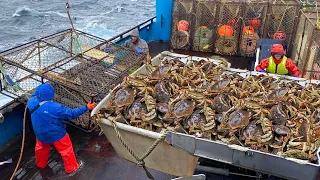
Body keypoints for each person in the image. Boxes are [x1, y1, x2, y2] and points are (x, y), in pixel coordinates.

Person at [27, 83, 96, 174]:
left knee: (40, 148)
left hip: (40, 134)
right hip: (57, 134)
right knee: (66, 150)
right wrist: (87, 107)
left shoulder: (31, 102)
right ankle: (72, 168)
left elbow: (34, 95)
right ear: (51, 95)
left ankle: (40, 164)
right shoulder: (56, 108)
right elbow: (72, 114)